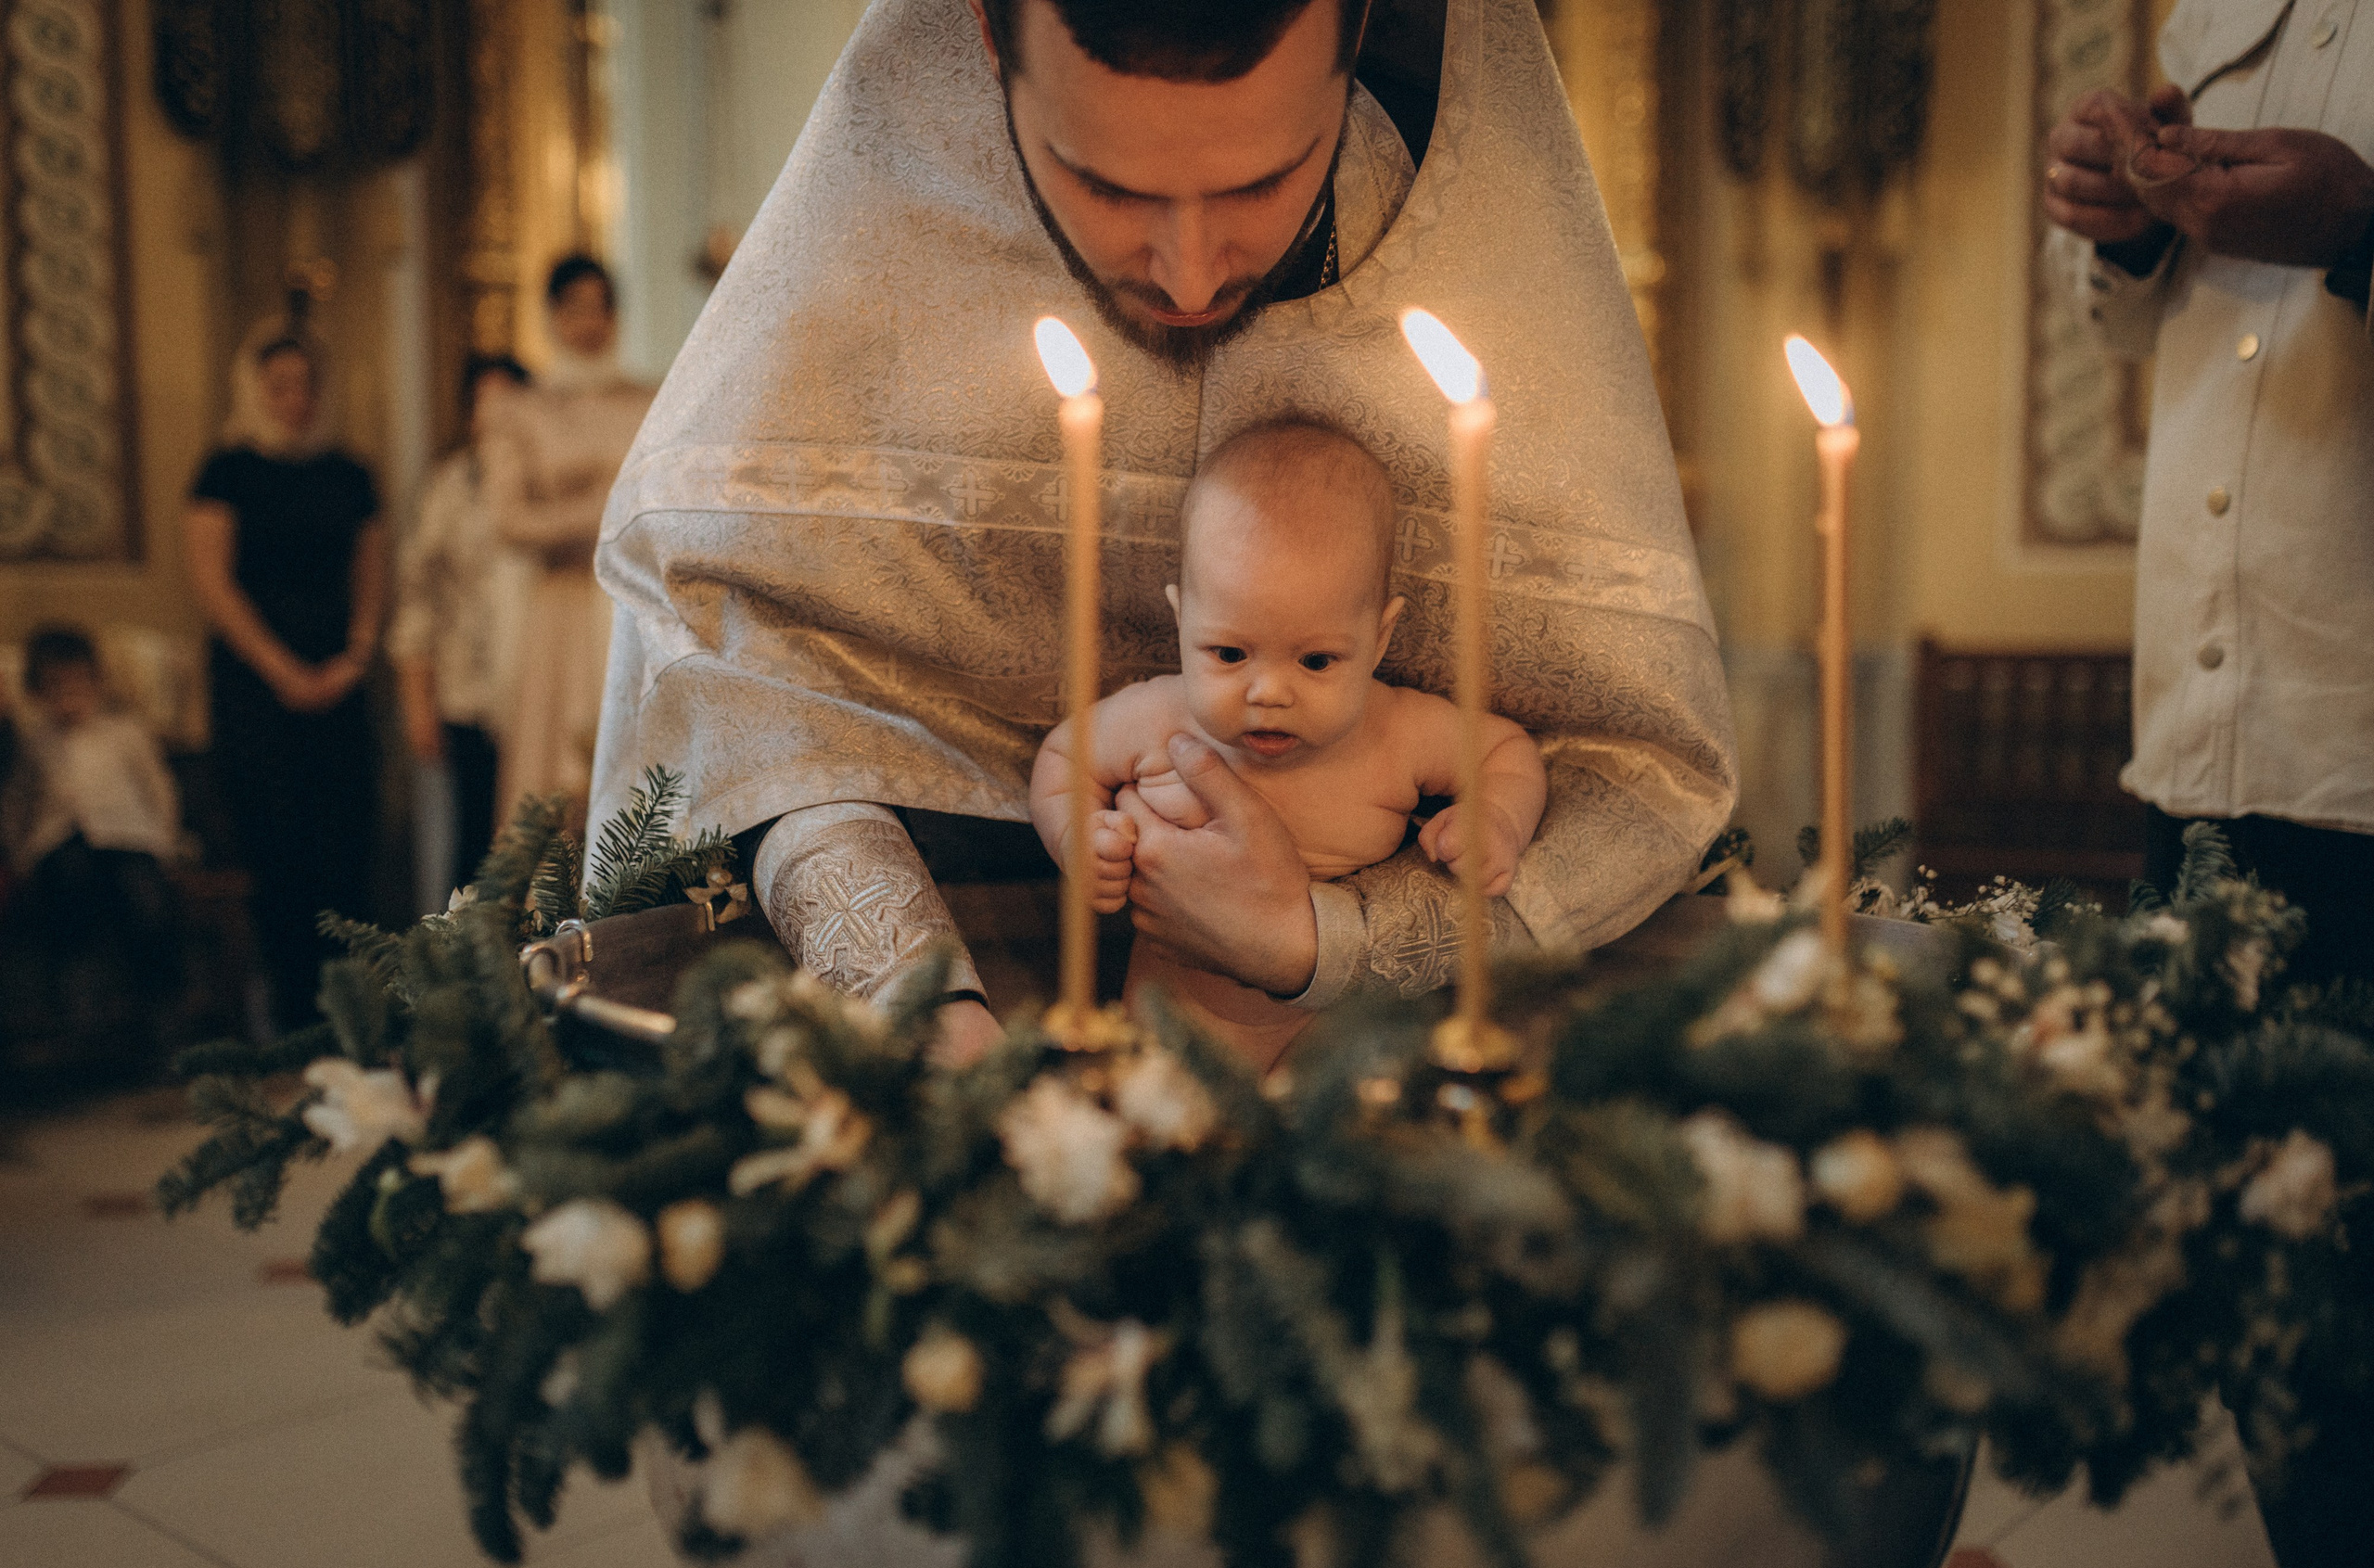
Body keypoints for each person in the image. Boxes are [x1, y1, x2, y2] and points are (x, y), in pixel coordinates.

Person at [589, 0, 1737, 1070]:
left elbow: (1631, 763)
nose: (1189, 274)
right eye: (1107, 183)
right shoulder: (878, 228)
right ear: (991, 42)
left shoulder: (1468, 231)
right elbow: (742, 680)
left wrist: (1320, 939)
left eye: (1263, 179)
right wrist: (919, 1007)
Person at [2044, 8, 2374, 1568]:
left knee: (2349, 1328)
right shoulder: (2215, 13)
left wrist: (2366, 226)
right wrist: (2121, 230)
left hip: (2362, 768)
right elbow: (2131, 339)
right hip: (2195, 755)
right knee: (2194, 1287)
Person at [1030, 418, 1544, 1066]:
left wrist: (1495, 818)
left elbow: (1505, 753)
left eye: (1317, 661)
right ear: (1181, 619)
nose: (1269, 691)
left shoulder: (1396, 731)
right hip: (1166, 1037)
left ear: (1380, 639)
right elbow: (1063, 757)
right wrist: (1075, 835)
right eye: (1229, 651)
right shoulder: (1157, 718)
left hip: (1341, 1041)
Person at [185, 310, 385, 1033]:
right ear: (256, 388)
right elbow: (213, 584)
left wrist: (355, 656)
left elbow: (370, 570)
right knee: (278, 851)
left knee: (345, 849)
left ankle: (351, 1014)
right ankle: (291, 1018)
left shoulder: (349, 471)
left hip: (341, 679)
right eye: (280, 386)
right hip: (256, 690)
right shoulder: (225, 469)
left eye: (305, 386)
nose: (294, 400)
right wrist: (282, 672)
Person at [485, 257, 655, 819]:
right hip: (563, 606)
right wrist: (603, 514)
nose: (591, 321)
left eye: (602, 306)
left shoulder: (648, 400)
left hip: (636, 605)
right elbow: (508, 519)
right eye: (575, 307)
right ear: (552, 317)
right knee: (556, 764)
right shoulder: (523, 410)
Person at [0, 628, 185, 1077]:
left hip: (129, 839)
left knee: (147, 902)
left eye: (80, 684)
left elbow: (158, 788)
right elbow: (18, 801)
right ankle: (83, 1016)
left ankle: (159, 1015)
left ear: (99, 682)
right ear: (36, 693)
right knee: (70, 895)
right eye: (56, 689)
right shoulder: (34, 743)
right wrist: (19, 853)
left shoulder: (125, 733)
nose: (70, 698)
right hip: (61, 846)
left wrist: (165, 840)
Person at [390, 354, 533, 895]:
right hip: (468, 691)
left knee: (543, 842)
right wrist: (417, 700)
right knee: (474, 847)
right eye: (486, 404)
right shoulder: (450, 487)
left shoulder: (549, 482)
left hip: (538, 687)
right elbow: (417, 599)